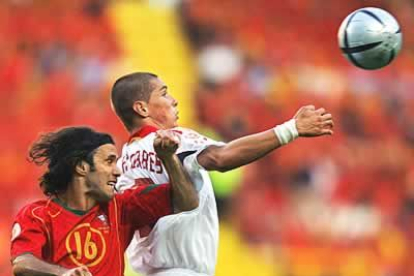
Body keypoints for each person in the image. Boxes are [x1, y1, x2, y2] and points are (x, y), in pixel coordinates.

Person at [110, 72, 334, 276]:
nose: (173, 100)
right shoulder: (173, 138)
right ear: (142, 109)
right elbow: (220, 157)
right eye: (164, 94)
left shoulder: (121, 165)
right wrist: (291, 129)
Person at [10, 126, 198, 276]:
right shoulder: (38, 215)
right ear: (82, 167)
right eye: (109, 161)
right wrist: (63, 273)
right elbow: (22, 263)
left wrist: (168, 158)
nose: (117, 171)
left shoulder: (122, 207)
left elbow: (188, 202)